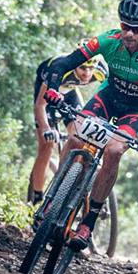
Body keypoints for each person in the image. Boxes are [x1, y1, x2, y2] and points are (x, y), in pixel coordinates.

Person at [42, 0, 138, 251]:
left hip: (136, 110)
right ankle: (55, 195)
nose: (129, 33)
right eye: (125, 25)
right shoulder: (108, 40)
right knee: (74, 137)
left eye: (136, 29)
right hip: (107, 98)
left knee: (114, 150)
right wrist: (53, 88)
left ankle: (88, 222)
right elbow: (64, 63)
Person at [28, 53, 108, 206]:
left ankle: (70, 171)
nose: (87, 73)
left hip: (71, 92)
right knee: (47, 145)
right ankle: (36, 198)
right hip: (49, 90)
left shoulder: (102, 71)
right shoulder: (61, 68)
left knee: (80, 134)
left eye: (91, 68)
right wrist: (46, 128)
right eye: (83, 68)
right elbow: (40, 106)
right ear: (75, 65)